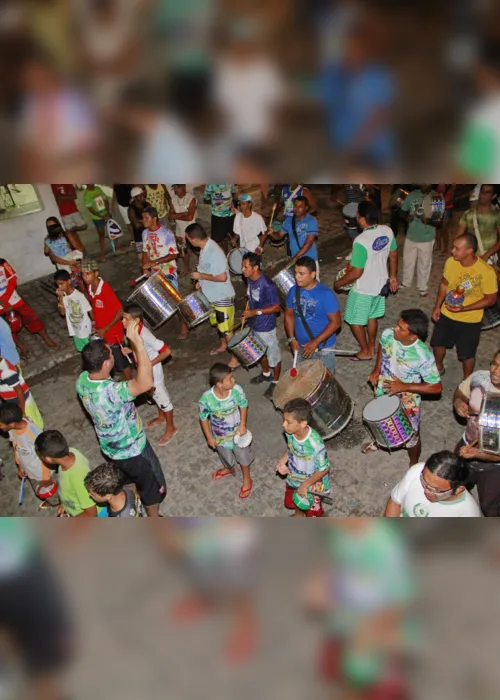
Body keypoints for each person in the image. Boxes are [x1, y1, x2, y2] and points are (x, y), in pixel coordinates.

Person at [76, 323, 167, 517]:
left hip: (110, 447)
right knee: (152, 486)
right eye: (110, 353)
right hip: (133, 448)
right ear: (107, 364)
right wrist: (139, 345)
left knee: (127, 477)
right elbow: (145, 383)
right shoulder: (111, 393)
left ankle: (130, 494)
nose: (112, 354)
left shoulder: (82, 380)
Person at [365, 310, 442, 466]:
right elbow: (382, 347)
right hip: (384, 387)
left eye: (401, 329)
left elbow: (436, 387)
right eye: (397, 325)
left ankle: (413, 463)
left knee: (412, 434)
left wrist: (403, 386)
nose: (395, 329)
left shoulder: (423, 355)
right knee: (382, 419)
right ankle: (382, 442)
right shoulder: (388, 334)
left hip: (408, 396)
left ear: (413, 336)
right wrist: (376, 369)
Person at [334, 200, 398, 361]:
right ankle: (372, 346)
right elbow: (394, 256)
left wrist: (339, 283)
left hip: (363, 288)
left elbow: (356, 272)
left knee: (353, 320)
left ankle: (365, 351)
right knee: (372, 316)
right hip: (380, 284)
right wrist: (393, 277)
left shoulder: (361, 241)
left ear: (361, 218)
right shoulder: (387, 231)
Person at [431, 233, 498, 379]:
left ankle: (467, 379)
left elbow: (491, 299)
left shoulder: (486, 271)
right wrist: (437, 306)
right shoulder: (451, 262)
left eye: (457, 248)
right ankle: (438, 366)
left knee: (467, 353)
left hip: (470, 320)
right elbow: (444, 283)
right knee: (438, 343)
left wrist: (464, 308)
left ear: (469, 251)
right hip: (447, 313)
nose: (452, 251)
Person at [122, 304, 178, 447]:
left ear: (137, 320)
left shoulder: (145, 334)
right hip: (145, 370)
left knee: (163, 398)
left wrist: (149, 364)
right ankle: (161, 416)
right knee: (152, 394)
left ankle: (171, 427)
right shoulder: (134, 332)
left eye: (126, 319)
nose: (123, 322)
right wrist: (130, 350)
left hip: (153, 371)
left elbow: (166, 351)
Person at [454, 349, 500, 516]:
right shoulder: (479, 377)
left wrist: (478, 454)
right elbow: (460, 392)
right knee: (455, 484)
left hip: (494, 465)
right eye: (494, 364)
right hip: (467, 444)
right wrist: (458, 402)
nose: (496, 371)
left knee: (489, 507)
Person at [199, 363, 253, 500]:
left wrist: (243, 425)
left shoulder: (237, 390)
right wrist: (209, 437)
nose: (234, 380)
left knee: (243, 457)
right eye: (230, 379)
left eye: (232, 377)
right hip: (220, 436)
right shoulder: (206, 399)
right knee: (224, 455)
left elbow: (244, 405)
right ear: (219, 384)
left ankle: (247, 479)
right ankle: (229, 468)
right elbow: (203, 418)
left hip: (238, 434)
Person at [234, 252, 281, 398]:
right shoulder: (250, 280)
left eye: (245, 267)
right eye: (242, 266)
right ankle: (266, 374)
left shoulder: (267, 285)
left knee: (273, 355)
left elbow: (277, 307)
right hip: (255, 323)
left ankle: (276, 381)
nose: (243, 270)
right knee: (260, 353)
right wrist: (247, 313)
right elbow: (251, 299)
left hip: (266, 327)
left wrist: (255, 312)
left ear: (255, 268)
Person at [285, 256, 341, 375]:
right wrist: (291, 338)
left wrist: (315, 342)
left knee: (325, 379)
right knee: (303, 378)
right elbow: (289, 315)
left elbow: (336, 322)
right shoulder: (293, 291)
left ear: (313, 274)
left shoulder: (326, 295)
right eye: (295, 272)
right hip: (301, 346)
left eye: (301, 273)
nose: (297, 276)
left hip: (323, 348)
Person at [187, 223, 236, 356]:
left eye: (188, 239)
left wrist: (201, 276)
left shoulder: (214, 251)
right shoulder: (204, 248)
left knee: (226, 330)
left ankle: (237, 357)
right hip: (213, 295)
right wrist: (201, 282)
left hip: (222, 296)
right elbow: (209, 270)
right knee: (219, 324)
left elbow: (222, 277)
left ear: (194, 239)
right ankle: (223, 345)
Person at [276, 398, 330, 518]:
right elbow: (291, 448)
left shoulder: (315, 444)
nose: (283, 424)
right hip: (295, 478)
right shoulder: (290, 432)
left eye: (288, 422)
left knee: (313, 513)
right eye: (284, 419)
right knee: (297, 503)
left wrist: (305, 485)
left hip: (312, 485)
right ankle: (299, 515)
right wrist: (282, 461)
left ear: (302, 423)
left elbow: (324, 469)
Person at [384, 451, 481, 517]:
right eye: (424, 482)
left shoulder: (468, 513)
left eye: (436, 490)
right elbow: (396, 501)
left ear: (459, 489)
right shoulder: (417, 471)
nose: (426, 491)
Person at [81, 258, 131, 381]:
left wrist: (106, 328)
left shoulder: (106, 290)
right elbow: (95, 308)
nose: (85, 277)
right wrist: (95, 323)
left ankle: (130, 383)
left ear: (96, 273)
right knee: (111, 358)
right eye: (83, 274)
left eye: (88, 274)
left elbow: (120, 312)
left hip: (114, 334)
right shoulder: (90, 287)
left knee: (122, 361)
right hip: (103, 332)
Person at [34, 430, 102, 518]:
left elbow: (91, 514)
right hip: (72, 504)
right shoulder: (71, 452)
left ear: (48, 459)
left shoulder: (78, 479)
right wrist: (64, 504)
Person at [0, 257, 59, 354]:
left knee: (31, 318)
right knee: (8, 329)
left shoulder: (2, 262)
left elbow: (12, 278)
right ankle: (20, 346)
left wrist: (5, 300)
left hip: (13, 299)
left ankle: (46, 338)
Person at [400, 184, 439, 296]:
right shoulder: (412, 195)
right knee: (408, 261)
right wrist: (407, 217)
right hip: (411, 235)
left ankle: (422, 286)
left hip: (427, 237)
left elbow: (438, 222)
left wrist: (425, 218)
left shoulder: (436, 197)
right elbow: (402, 211)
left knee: (424, 263)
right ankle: (406, 282)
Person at [0, 402, 50, 484]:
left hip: (41, 473)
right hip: (29, 469)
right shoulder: (11, 430)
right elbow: (15, 445)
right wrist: (20, 465)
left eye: (0, 425)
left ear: (12, 424)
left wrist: (46, 477)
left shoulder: (34, 434)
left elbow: (46, 455)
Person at [269, 196, 320, 275]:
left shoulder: (311, 221)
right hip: (297, 261)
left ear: (306, 208)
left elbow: (308, 243)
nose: (297, 208)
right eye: (295, 205)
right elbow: (279, 236)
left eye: (300, 206)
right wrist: (272, 233)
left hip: (309, 260)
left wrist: (294, 259)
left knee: (312, 285)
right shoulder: (289, 221)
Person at [455, 184, 500, 264]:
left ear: (493, 196)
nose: (483, 195)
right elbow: (458, 237)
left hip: (489, 258)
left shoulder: (497, 214)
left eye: (487, 192)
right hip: (470, 257)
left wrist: (486, 255)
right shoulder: (468, 214)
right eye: (482, 191)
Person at [44, 217, 85, 295]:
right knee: (70, 290)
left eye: (54, 226)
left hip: (75, 263)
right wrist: (70, 263)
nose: (52, 228)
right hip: (64, 265)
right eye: (49, 227)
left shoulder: (67, 235)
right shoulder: (48, 240)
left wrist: (76, 262)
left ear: (58, 225)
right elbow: (54, 258)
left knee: (82, 287)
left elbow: (80, 248)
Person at [0, 354, 43, 428]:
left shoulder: (6, 371)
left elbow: (20, 391)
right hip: (16, 404)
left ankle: (39, 435)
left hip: (23, 404)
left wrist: (22, 412)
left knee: (32, 424)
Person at [54, 270, 92, 353]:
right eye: (57, 285)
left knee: (92, 350)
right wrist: (60, 298)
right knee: (83, 350)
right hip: (74, 331)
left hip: (85, 331)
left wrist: (95, 323)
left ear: (69, 281)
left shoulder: (79, 296)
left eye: (61, 284)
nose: (60, 287)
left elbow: (90, 310)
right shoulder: (62, 296)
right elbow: (62, 313)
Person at [168, 184, 197, 275]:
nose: (175, 190)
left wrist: (176, 215)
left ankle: (203, 264)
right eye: (174, 188)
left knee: (197, 250)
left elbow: (190, 217)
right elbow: (170, 216)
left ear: (184, 187)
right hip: (179, 230)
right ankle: (187, 268)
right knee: (183, 250)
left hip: (191, 229)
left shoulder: (191, 198)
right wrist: (183, 213)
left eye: (178, 187)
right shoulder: (173, 199)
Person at [203, 184, 238, 254]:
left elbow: (206, 198)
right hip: (220, 215)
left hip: (227, 214)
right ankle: (224, 254)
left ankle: (229, 254)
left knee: (230, 237)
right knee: (219, 238)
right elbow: (206, 197)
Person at [83, 184, 111, 261]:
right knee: (101, 235)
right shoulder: (86, 195)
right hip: (97, 217)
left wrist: (108, 212)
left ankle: (117, 246)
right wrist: (102, 217)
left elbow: (105, 200)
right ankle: (103, 254)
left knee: (113, 230)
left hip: (105, 213)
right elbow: (91, 209)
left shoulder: (98, 188)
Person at [128, 186, 150, 260]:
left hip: (150, 235)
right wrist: (147, 220)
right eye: (140, 196)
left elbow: (155, 218)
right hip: (140, 238)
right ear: (135, 198)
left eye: (143, 194)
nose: (143, 197)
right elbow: (137, 225)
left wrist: (140, 220)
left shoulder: (147, 204)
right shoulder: (131, 209)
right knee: (142, 259)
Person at [435, 183, 456, 255]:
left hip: (447, 208)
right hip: (438, 207)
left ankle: (445, 248)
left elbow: (452, 198)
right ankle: (438, 247)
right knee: (438, 228)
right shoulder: (440, 184)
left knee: (444, 228)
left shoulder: (451, 185)